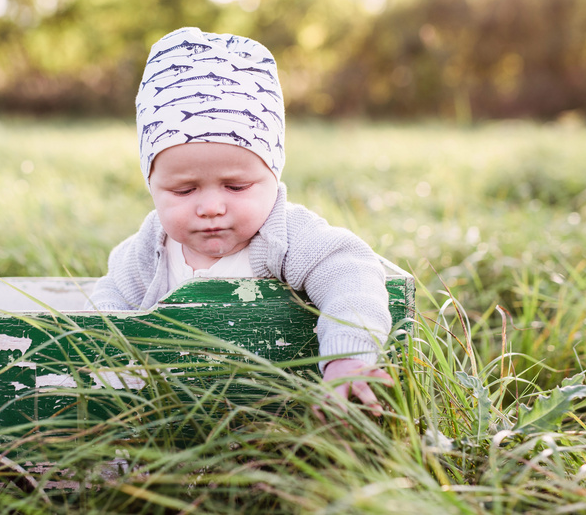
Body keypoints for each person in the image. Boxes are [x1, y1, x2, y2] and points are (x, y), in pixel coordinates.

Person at [87, 27, 394, 413]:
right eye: (184, 191)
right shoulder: (150, 248)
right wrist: (111, 362)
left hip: (278, 410)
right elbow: (110, 300)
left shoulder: (284, 234)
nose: (211, 207)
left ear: (273, 176)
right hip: (172, 414)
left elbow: (350, 272)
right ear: (152, 185)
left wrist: (347, 356)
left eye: (235, 186)